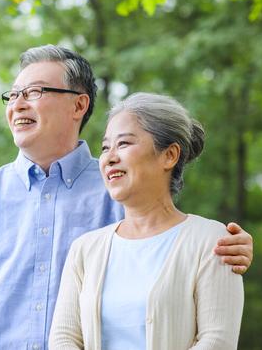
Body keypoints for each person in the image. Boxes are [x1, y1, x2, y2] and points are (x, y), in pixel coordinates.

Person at [0, 45, 252, 350]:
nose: (18, 104)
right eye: (13, 95)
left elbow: (169, 250)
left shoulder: (121, 189)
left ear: (79, 104)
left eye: (35, 92)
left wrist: (226, 247)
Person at [49, 92, 244, 349]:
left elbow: (218, 340)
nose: (109, 157)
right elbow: (64, 339)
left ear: (169, 155)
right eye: (106, 147)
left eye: (124, 144)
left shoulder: (213, 241)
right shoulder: (85, 249)